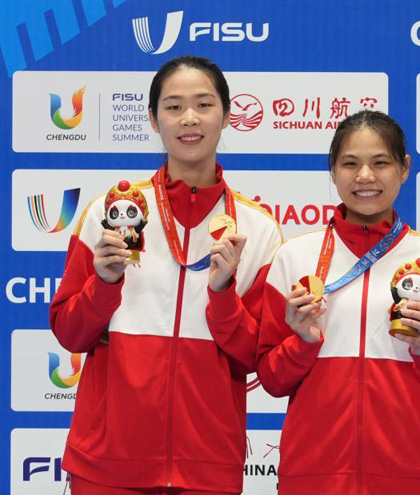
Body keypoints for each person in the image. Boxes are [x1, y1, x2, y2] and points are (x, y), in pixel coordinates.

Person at [49, 55, 283, 495]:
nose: (189, 119)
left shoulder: (258, 229)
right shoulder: (110, 212)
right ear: (154, 120)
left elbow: (255, 358)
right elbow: (69, 333)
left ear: (227, 115)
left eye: (204, 105)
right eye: (174, 107)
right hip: (108, 464)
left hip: (207, 466)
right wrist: (104, 285)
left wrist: (223, 294)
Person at [256, 110, 420, 495]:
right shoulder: (294, 257)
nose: (365, 176)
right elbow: (271, 380)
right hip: (314, 475)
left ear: (404, 169)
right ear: (333, 170)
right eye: (350, 164)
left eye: (380, 163)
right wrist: (302, 342)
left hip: (408, 477)